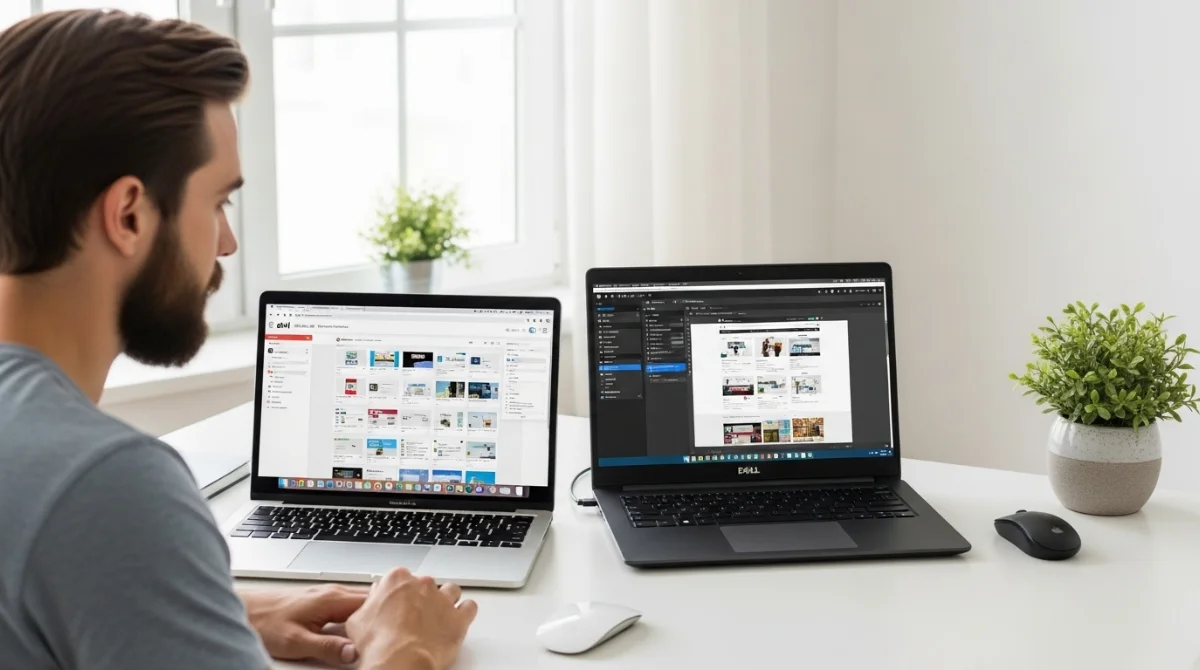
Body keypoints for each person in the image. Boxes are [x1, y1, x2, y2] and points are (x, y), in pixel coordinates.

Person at [0, 9, 477, 670]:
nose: (226, 242)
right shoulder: (106, 485)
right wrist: (408, 649)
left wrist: (224, 606)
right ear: (129, 214)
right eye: (218, 202)